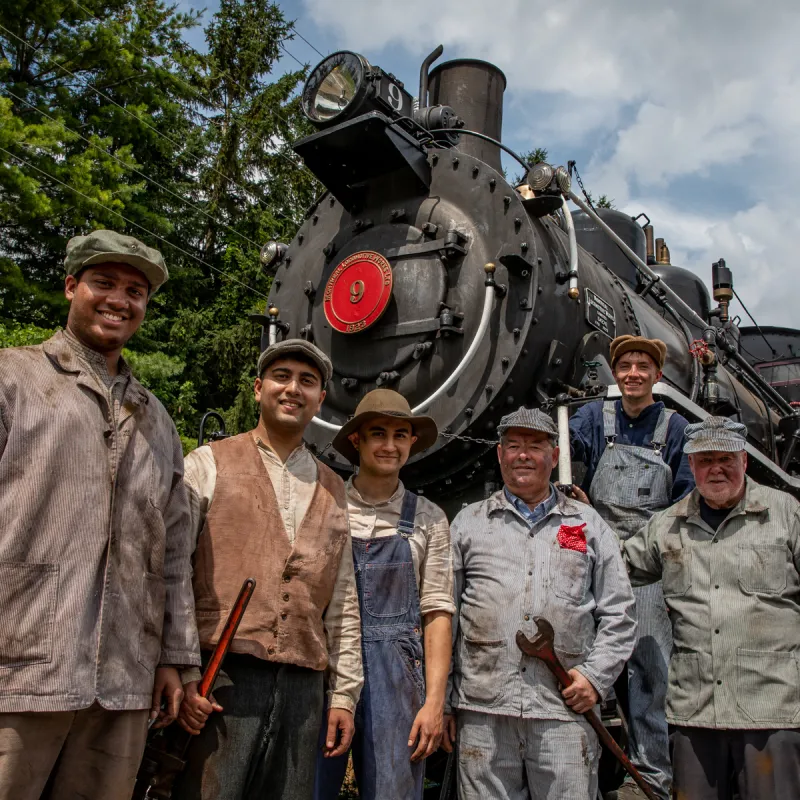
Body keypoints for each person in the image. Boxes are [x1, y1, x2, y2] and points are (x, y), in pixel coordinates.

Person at [0, 231, 199, 800]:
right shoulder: (13, 380)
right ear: (71, 287)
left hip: (123, 679)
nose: (119, 299)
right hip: (20, 670)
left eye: (135, 290)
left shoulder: (157, 420)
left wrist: (176, 660)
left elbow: (174, 555)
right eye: (104, 283)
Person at [173, 339, 363, 800]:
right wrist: (178, 670)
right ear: (258, 389)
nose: (292, 389)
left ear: (320, 400)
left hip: (304, 688)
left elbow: (343, 602)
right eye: (282, 377)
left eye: (307, 381)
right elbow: (170, 572)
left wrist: (343, 696)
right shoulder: (206, 464)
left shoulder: (337, 489)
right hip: (220, 680)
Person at [443, 407, 636, 799]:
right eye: (513, 446)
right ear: (499, 455)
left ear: (554, 455)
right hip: (483, 709)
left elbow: (620, 612)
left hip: (564, 709)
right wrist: (446, 700)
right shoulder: (467, 524)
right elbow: (444, 617)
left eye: (535, 445)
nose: (523, 455)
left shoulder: (587, 525)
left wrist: (595, 679)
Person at [624, 416, 800, 799]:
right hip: (696, 714)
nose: (715, 468)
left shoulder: (786, 514)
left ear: (744, 461)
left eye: (725, 458)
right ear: (691, 466)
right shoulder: (667, 526)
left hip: (771, 711)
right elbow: (615, 571)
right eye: (705, 460)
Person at [569, 334, 693, 800]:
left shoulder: (674, 427)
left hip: (649, 563)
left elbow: (684, 499)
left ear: (657, 376)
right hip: (598, 554)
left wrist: (654, 547)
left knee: (647, 667)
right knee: (586, 658)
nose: (634, 374)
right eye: (626, 366)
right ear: (616, 374)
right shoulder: (595, 417)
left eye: (643, 366)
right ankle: (588, 771)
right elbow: (569, 444)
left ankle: (652, 777)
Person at [314, 389, 454, 800]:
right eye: (378, 433)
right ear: (357, 441)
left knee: (392, 791)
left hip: (398, 674)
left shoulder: (429, 517)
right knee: (311, 783)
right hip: (328, 665)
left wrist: (434, 703)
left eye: (400, 434)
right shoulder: (327, 504)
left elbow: (438, 613)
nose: (390, 445)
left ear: (412, 442)